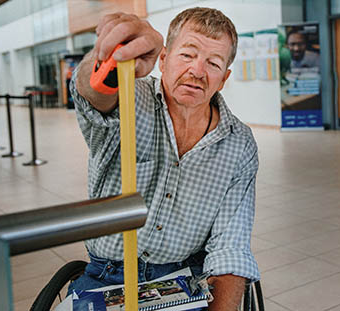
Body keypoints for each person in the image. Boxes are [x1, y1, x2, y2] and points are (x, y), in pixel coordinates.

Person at [69, 7, 259, 310]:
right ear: (163, 59)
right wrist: (110, 60)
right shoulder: (130, 97)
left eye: (213, 63)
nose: (197, 71)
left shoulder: (239, 144)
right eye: (187, 55)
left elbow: (230, 247)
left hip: (184, 277)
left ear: (223, 78)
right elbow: (93, 96)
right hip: (107, 277)